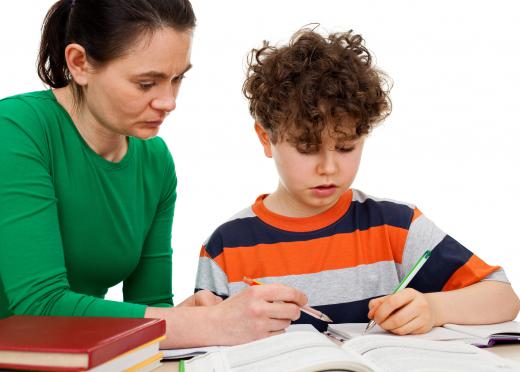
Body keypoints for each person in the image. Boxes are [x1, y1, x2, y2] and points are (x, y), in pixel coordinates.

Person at [0, 0, 308, 348]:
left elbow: (151, 303)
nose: (168, 101)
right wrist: (205, 325)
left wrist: (193, 314)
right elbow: (39, 309)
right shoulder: (15, 131)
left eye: (178, 79)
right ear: (79, 63)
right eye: (147, 83)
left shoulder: (154, 160)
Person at [195, 27, 520, 334]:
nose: (329, 167)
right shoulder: (226, 248)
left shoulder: (396, 227)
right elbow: (201, 337)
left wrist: (434, 308)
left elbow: (503, 298)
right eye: (307, 147)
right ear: (266, 139)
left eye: (346, 146)